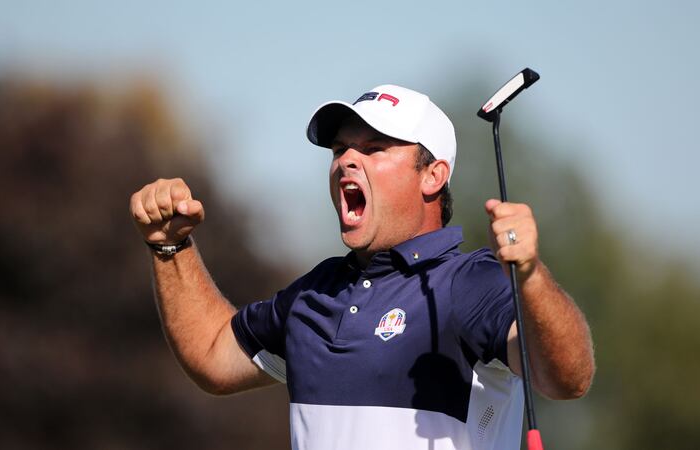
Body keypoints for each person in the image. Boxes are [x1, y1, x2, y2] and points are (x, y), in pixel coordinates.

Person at [129, 84, 595, 450]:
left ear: (433, 175)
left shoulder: (471, 283)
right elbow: (212, 354)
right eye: (339, 150)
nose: (347, 160)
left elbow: (567, 377)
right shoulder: (315, 293)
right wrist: (172, 247)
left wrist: (531, 275)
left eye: (374, 148)